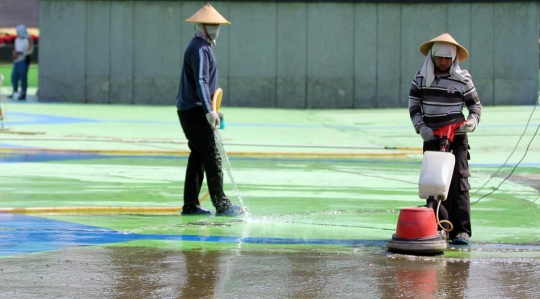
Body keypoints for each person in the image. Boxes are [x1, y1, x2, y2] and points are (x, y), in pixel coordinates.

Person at [408, 33, 482, 245]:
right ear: (432, 56)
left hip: (456, 136)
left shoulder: (463, 80)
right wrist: (421, 127)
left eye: (447, 58)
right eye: (439, 57)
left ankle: (461, 231)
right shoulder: (420, 78)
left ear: (454, 59)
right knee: (433, 183)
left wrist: (472, 123)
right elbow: (414, 106)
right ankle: (438, 226)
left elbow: (475, 106)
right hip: (431, 136)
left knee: (458, 182)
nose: (443, 61)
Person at [175, 4, 244, 216]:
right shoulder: (200, 49)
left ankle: (191, 206)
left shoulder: (202, 47)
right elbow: (201, 81)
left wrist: (214, 109)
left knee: (198, 156)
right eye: (212, 25)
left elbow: (206, 85)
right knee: (212, 157)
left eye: (218, 25)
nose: (216, 29)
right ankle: (221, 205)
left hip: (192, 110)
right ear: (201, 26)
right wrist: (208, 110)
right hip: (195, 111)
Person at [8, 24, 33, 101]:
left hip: (23, 60)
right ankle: (15, 92)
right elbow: (15, 49)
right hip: (16, 61)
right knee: (14, 77)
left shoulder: (28, 39)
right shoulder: (16, 40)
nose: (17, 33)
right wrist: (14, 54)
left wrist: (21, 53)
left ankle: (23, 93)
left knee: (23, 77)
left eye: (18, 31)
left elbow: (30, 50)